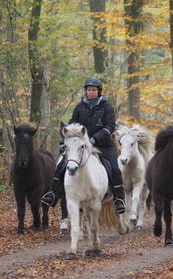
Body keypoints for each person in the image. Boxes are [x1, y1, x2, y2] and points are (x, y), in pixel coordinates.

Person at [42, 77, 125, 214]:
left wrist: (94, 139)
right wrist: (64, 143)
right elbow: (71, 126)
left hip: (102, 145)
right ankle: (52, 193)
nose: (91, 92)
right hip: (80, 145)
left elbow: (109, 126)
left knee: (114, 168)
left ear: (99, 91)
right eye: (89, 90)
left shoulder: (107, 107)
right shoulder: (79, 107)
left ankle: (119, 199)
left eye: (93, 90)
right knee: (63, 164)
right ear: (86, 91)